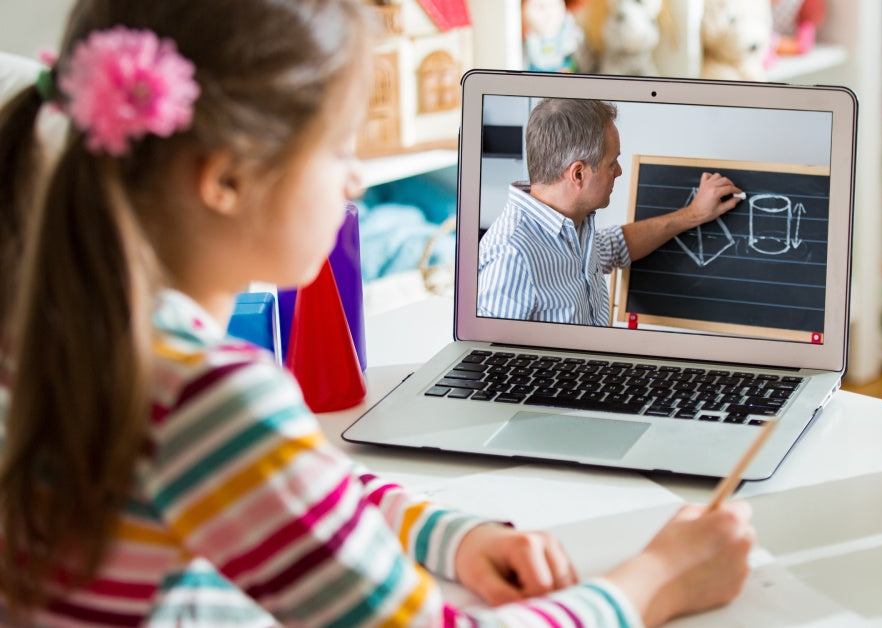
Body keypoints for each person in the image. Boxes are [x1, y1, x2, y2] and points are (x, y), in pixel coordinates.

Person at [0, 1, 755, 625]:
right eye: (337, 148)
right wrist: (655, 580)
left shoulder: (58, 330)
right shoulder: (209, 397)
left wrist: (449, 536)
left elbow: (303, 484)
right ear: (226, 178)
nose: (358, 177)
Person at [477, 98, 743, 325]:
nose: (619, 172)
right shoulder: (511, 257)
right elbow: (490, 369)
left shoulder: (571, 225)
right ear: (578, 173)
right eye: (612, 163)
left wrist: (694, 214)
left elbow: (616, 245)